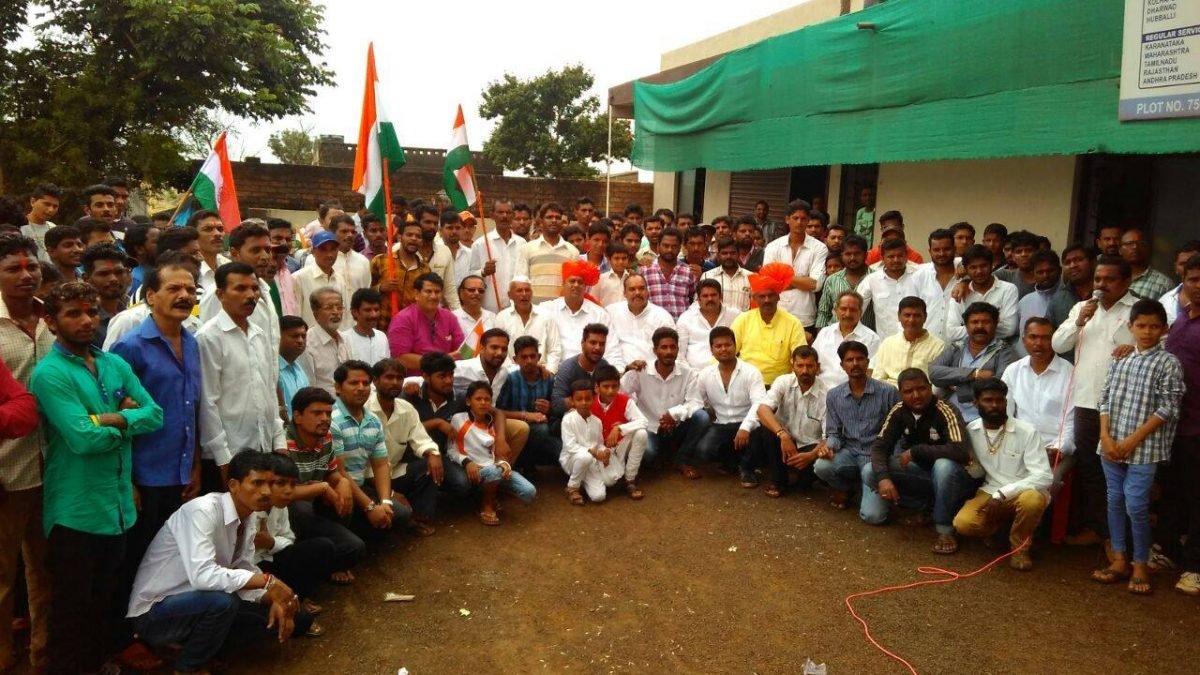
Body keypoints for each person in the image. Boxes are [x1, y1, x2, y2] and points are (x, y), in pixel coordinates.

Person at [30, 281, 163, 674]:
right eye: (74, 313)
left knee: (106, 599)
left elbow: (155, 415)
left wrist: (112, 417)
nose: (87, 320)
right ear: (51, 322)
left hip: (118, 505)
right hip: (76, 510)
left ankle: (96, 663)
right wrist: (127, 419)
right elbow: (83, 439)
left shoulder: (112, 363)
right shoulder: (49, 374)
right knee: (72, 608)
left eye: (91, 312)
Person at [128, 452, 309, 675]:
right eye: (257, 483)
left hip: (202, 601)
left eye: (270, 484)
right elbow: (202, 575)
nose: (265, 492)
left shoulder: (249, 515)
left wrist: (270, 594)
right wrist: (268, 581)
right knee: (222, 603)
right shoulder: (202, 511)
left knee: (298, 617)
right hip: (155, 613)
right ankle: (187, 667)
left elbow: (242, 568)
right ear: (234, 485)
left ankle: (196, 647)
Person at [109, 262, 203, 603]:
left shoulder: (192, 342)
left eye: (190, 290)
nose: (184, 296)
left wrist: (194, 464)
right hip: (145, 475)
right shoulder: (130, 347)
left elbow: (192, 407)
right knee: (138, 558)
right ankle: (133, 632)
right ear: (150, 296)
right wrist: (129, 480)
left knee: (171, 558)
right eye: (174, 289)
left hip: (181, 473)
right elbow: (118, 415)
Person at [1092, 300, 1184, 595]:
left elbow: (1168, 408)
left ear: (1164, 329)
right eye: (1141, 326)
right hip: (1110, 445)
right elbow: (1104, 398)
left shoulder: (1168, 363)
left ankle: (1140, 562)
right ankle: (1119, 558)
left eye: (1154, 326)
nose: (1147, 332)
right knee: (1115, 500)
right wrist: (1105, 437)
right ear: (1130, 327)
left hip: (1144, 449)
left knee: (1136, 504)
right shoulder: (1121, 358)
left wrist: (1131, 440)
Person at [1051, 255, 1137, 547]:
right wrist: (1078, 322)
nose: (1102, 285)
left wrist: (1135, 348)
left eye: (1109, 279)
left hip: (1125, 405)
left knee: (1123, 471)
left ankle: (1125, 537)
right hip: (1087, 401)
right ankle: (1101, 531)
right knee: (1091, 469)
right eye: (1098, 279)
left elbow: (1158, 345)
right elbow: (1058, 344)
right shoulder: (1082, 307)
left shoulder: (1139, 309)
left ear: (1126, 282)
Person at [0, 234, 54, 674]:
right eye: (13, 269)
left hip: (56, 466)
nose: (25, 274)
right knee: (2, 578)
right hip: (6, 469)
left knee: (47, 570)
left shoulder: (54, 319)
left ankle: (45, 656)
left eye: (30, 266)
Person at [863, 369, 973, 554]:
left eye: (921, 389)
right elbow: (879, 446)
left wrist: (917, 451)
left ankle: (945, 529)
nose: (916, 395)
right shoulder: (899, 410)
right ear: (900, 393)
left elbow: (960, 451)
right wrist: (883, 479)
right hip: (922, 473)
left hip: (955, 478)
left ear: (930, 388)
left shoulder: (945, 410)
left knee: (943, 466)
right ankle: (920, 508)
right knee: (869, 471)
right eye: (908, 391)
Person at [197, 262, 286, 489]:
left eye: (254, 289)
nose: (250, 295)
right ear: (220, 294)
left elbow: (267, 390)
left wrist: (279, 440)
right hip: (229, 455)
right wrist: (223, 459)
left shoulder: (259, 334)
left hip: (263, 447)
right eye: (240, 289)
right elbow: (208, 402)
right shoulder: (209, 337)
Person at [953, 378, 1054, 571]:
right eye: (988, 400)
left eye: (999, 400)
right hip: (990, 491)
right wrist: (967, 464)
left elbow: (1044, 476)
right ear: (976, 403)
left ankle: (1020, 548)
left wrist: (1003, 494)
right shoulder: (971, 430)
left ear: (1006, 402)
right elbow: (977, 471)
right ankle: (1000, 530)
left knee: (1031, 500)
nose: (994, 405)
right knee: (963, 524)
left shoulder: (1026, 431)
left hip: (1024, 490)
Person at [333, 360, 428, 540]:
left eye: (365, 383)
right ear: (338, 387)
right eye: (354, 383)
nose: (361, 388)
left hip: (361, 486)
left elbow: (381, 465)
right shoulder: (332, 420)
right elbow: (340, 472)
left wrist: (385, 502)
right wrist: (370, 507)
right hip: (338, 488)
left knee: (399, 514)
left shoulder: (372, 420)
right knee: (356, 541)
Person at [283, 386, 364, 585]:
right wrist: (323, 488)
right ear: (298, 416)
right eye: (317, 413)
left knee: (356, 547)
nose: (325, 418)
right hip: (287, 517)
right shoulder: (284, 444)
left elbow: (332, 473)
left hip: (316, 506)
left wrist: (342, 482)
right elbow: (283, 493)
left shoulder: (325, 437)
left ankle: (328, 562)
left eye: (328, 413)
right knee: (300, 508)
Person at [813, 340, 900, 512]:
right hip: (850, 452)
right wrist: (828, 447)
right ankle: (847, 487)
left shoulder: (888, 392)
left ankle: (870, 486)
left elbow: (899, 432)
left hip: (877, 458)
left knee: (873, 516)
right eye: (849, 360)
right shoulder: (834, 395)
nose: (855, 364)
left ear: (867, 362)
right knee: (821, 466)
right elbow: (834, 433)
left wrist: (894, 463)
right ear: (842, 365)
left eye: (860, 359)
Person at [254, 453, 335, 628]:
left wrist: (271, 543)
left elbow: (289, 539)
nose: (288, 490)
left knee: (323, 547)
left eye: (292, 484)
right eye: (281, 483)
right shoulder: (248, 512)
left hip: (270, 562)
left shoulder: (279, 506)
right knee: (303, 622)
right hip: (250, 575)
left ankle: (297, 599)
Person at [1001, 317, 1076, 498]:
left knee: (1045, 486)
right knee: (1001, 481)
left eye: (1046, 338)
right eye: (1033, 337)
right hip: (1019, 447)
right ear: (1023, 339)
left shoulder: (1070, 373)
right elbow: (1005, 414)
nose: (1039, 343)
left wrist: (1058, 449)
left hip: (1056, 451)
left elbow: (1071, 422)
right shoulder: (1013, 371)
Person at [620, 327, 709, 478]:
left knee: (702, 417)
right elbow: (621, 393)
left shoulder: (687, 372)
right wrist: (628, 370)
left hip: (676, 426)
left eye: (672, 347)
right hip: (649, 426)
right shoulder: (641, 370)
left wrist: (674, 414)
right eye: (664, 347)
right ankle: (659, 457)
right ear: (655, 350)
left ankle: (682, 459)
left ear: (677, 349)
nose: (669, 351)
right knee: (648, 453)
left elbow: (695, 402)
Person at [366, 358, 441, 536]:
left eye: (399, 378)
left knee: (431, 465)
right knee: (397, 512)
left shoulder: (406, 408)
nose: (395, 382)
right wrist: (390, 492)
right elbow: (363, 466)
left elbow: (421, 438)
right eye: (389, 377)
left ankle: (419, 517)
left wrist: (433, 453)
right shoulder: (364, 410)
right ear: (375, 380)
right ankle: (400, 516)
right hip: (367, 478)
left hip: (394, 470)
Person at [1162, 254, 1200, 593]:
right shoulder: (1181, 322)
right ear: (1183, 284)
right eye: (1193, 280)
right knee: (1176, 493)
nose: (1199, 287)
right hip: (1175, 424)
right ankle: (1172, 553)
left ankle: (1194, 567)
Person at [449, 381, 538, 524]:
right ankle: (486, 505)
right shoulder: (458, 419)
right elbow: (451, 450)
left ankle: (491, 491)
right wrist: (467, 462)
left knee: (529, 492)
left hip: (493, 468)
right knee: (493, 472)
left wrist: (504, 465)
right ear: (468, 401)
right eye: (478, 399)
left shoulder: (492, 422)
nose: (483, 403)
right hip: (474, 469)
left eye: (487, 399)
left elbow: (496, 454)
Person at [693, 327, 766, 484]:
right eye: (718, 346)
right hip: (721, 424)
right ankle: (732, 461)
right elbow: (700, 401)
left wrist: (745, 427)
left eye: (728, 344)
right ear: (711, 350)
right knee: (703, 451)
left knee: (762, 431)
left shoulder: (751, 372)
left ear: (735, 346)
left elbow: (759, 403)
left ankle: (747, 469)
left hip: (749, 424)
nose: (723, 349)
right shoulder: (705, 374)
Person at [930, 302, 1018, 423]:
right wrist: (973, 374)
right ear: (966, 325)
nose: (980, 326)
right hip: (950, 417)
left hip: (983, 420)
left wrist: (957, 387)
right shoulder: (957, 347)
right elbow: (934, 372)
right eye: (974, 322)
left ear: (995, 324)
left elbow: (998, 387)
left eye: (986, 322)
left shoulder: (1005, 352)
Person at [731, 263, 807, 385]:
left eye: (771, 296)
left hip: (779, 385)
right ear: (754, 299)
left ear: (778, 297)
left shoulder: (793, 323)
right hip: (745, 383)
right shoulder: (743, 320)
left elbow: (800, 357)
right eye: (762, 296)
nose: (767, 300)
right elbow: (729, 351)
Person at [559, 379, 634, 505]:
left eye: (587, 399)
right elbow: (570, 446)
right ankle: (573, 487)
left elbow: (599, 442)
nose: (584, 403)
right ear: (572, 401)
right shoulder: (568, 420)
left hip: (593, 461)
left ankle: (582, 480)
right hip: (573, 459)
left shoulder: (596, 421)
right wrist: (593, 452)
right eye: (579, 399)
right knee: (585, 457)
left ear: (593, 399)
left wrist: (605, 451)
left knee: (599, 496)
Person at [496, 336, 561, 472]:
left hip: (543, 432)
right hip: (516, 430)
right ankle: (524, 465)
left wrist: (550, 409)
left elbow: (557, 408)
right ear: (515, 359)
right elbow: (499, 411)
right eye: (524, 357)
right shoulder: (510, 380)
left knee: (560, 453)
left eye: (532, 356)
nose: (529, 361)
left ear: (539, 356)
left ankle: (530, 463)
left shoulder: (548, 379)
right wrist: (526, 415)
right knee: (539, 429)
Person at [761, 199, 828, 330]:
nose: (799, 222)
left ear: (808, 220)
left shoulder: (819, 248)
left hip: (804, 316)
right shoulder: (773, 247)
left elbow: (816, 284)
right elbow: (768, 282)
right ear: (787, 219)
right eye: (795, 218)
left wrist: (783, 278)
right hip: (776, 313)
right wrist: (802, 281)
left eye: (803, 218)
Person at [857, 237, 941, 339]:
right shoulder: (872, 280)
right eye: (891, 256)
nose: (896, 260)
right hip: (887, 345)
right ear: (882, 258)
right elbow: (856, 308)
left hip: (919, 342)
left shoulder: (919, 274)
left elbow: (947, 264)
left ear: (906, 256)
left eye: (900, 256)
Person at [543, 260, 617, 368]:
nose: (576, 285)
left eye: (580, 282)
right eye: (572, 281)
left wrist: (614, 371)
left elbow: (612, 348)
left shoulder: (599, 314)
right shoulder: (547, 310)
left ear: (585, 286)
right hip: (554, 371)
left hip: (589, 372)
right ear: (563, 284)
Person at [387, 273, 464, 376]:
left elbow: (461, 349)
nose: (433, 296)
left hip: (447, 377)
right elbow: (401, 358)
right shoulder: (402, 319)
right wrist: (441, 361)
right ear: (416, 294)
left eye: (437, 292)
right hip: (415, 381)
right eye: (428, 291)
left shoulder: (449, 317)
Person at [946, 245, 1019, 343]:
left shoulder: (1008, 289)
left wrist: (970, 328)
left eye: (983, 266)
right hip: (966, 351)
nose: (979, 271)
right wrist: (989, 327)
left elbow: (1009, 329)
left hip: (1000, 351)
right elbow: (951, 333)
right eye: (973, 267)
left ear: (992, 265)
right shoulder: (959, 292)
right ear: (966, 270)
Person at [812, 290, 881, 391]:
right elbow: (813, 363)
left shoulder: (871, 339)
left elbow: (870, 372)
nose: (848, 314)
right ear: (836, 310)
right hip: (820, 392)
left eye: (853, 310)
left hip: (851, 395)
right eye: (843, 309)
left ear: (860, 312)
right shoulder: (825, 333)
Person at [606, 273, 675, 370]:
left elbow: (668, 351)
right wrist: (621, 370)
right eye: (632, 289)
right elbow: (609, 348)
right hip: (617, 373)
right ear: (624, 293)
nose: (637, 292)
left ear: (647, 292)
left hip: (651, 372)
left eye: (641, 288)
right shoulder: (611, 313)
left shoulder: (662, 317)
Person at [872, 297, 946, 387]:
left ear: (925, 317)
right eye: (907, 315)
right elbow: (878, 378)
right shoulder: (888, 343)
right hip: (890, 396)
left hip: (922, 397)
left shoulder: (938, 346)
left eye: (917, 315)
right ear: (899, 316)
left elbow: (937, 384)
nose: (911, 320)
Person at [515, 202, 579, 305]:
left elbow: (574, 285)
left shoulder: (572, 252)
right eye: (549, 217)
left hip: (561, 312)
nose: (554, 220)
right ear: (540, 221)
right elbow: (520, 282)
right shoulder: (527, 249)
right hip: (534, 311)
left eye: (557, 218)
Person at [469, 198, 526, 313]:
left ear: (513, 215)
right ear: (492, 215)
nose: (504, 216)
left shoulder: (522, 244)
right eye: (500, 212)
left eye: (508, 212)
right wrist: (483, 272)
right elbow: (470, 275)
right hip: (490, 308)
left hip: (516, 308)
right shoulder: (480, 244)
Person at [495, 276, 562, 373]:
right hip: (511, 373)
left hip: (542, 372)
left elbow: (555, 349)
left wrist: (549, 372)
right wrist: (514, 372)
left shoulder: (546, 316)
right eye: (519, 291)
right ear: (510, 295)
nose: (524, 294)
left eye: (527, 290)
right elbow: (499, 350)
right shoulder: (502, 318)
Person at [371, 219, 430, 320]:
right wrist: (380, 288)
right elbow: (365, 290)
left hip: (410, 326)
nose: (414, 239)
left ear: (422, 241)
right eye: (409, 235)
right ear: (399, 237)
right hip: (382, 325)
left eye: (418, 236)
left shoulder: (425, 270)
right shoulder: (380, 261)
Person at [676, 278, 740, 371]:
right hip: (694, 376)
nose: (710, 299)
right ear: (698, 299)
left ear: (720, 296)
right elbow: (679, 355)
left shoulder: (735, 316)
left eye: (713, 295)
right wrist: (691, 376)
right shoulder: (686, 318)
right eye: (705, 296)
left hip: (729, 374)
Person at [551, 323, 614, 417]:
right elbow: (556, 404)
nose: (597, 348)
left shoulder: (604, 366)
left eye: (602, 344)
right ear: (583, 343)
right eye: (593, 343)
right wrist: (582, 401)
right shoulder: (568, 368)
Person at [292, 230, 349, 330]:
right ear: (313, 252)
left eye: (333, 249)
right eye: (323, 249)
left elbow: (344, 315)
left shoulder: (340, 279)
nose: (329, 254)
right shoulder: (299, 278)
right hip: (311, 342)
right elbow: (296, 315)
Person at [301, 287, 352, 395]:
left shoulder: (345, 339)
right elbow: (307, 384)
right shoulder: (307, 343)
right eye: (329, 308)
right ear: (315, 313)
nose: (336, 312)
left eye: (339, 307)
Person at [78, 242, 130, 348]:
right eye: (104, 274)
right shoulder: (83, 322)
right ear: (86, 279)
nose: (114, 279)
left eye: (119, 272)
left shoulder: (132, 310)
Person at [639, 227, 696, 321]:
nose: (670, 250)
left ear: (679, 247)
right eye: (666, 245)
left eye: (674, 246)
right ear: (658, 246)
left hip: (681, 329)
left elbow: (693, 300)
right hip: (653, 328)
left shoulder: (688, 272)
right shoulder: (644, 272)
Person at [817, 235, 871, 328]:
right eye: (848, 254)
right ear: (841, 255)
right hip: (836, 337)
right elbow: (823, 312)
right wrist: (821, 337)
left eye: (857, 254)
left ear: (865, 255)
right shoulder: (832, 280)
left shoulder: (876, 278)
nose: (852, 258)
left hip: (866, 338)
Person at [1120, 228, 1174, 301]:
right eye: (1129, 243)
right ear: (1120, 250)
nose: (1135, 247)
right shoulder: (1110, 278)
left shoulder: (1164, 284)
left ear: (1147, 248)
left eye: (1141, 243)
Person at [341, 288, 390, 365]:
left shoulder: (382, 337)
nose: (373, 314)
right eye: (368, 310)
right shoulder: (344, 339)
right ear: (355, 312)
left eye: (376, 310)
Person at [702, 237, 752, 312]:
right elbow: (699, 304)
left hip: (745, 323)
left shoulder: (751, 277)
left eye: (732, 253)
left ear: (738, 254)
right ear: (718, 255)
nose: (729, 256)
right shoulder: (707, 276)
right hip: (717, 323)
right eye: (724, 253)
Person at [452, 274, 497, 353]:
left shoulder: (493, 317)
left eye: (481, 291)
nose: (477, 293)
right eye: (471, 290)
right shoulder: (452, 318)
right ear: (461, 293)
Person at [278, 315, 310, 420]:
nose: (301, 340)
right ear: (278, 337)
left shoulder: (299, 370)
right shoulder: (272, 371)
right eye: (294, 336)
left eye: (303, 336)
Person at [20, 183, 60, 262]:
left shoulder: (54, 228)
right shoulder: (19, 228)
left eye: (55, 206)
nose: (51, 210)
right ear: (33, 202)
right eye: (46, 204)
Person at [438, 210, 472, 288]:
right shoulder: (433, 252)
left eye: (458, 228)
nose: (454, 231)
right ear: (440, 230)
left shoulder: (469, 254)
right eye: (450, 228)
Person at [592, 242, 632, 307]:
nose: (621, 262)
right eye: (616, 258)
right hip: (607, 315)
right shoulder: (601, 279)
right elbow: (594, 301)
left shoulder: (631, 278)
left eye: (624, 258)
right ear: (609, 260)